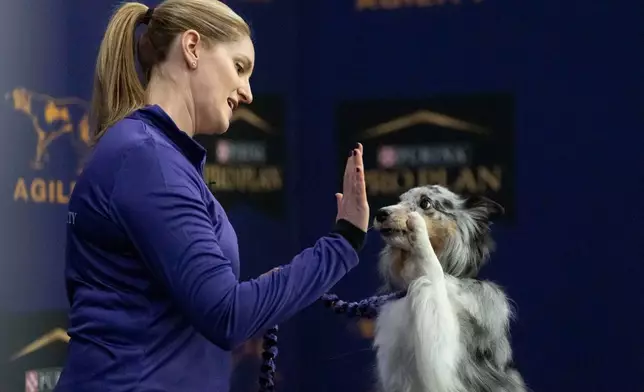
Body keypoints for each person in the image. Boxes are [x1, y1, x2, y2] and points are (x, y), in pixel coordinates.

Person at [53, 1, 369, 391]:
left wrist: (266, 294)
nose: (248, 93)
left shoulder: (155, 156)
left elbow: (212, 305)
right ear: (192, 47)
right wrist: (342, 245)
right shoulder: (147, 159)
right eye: (239, 67)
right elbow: (227, 315)